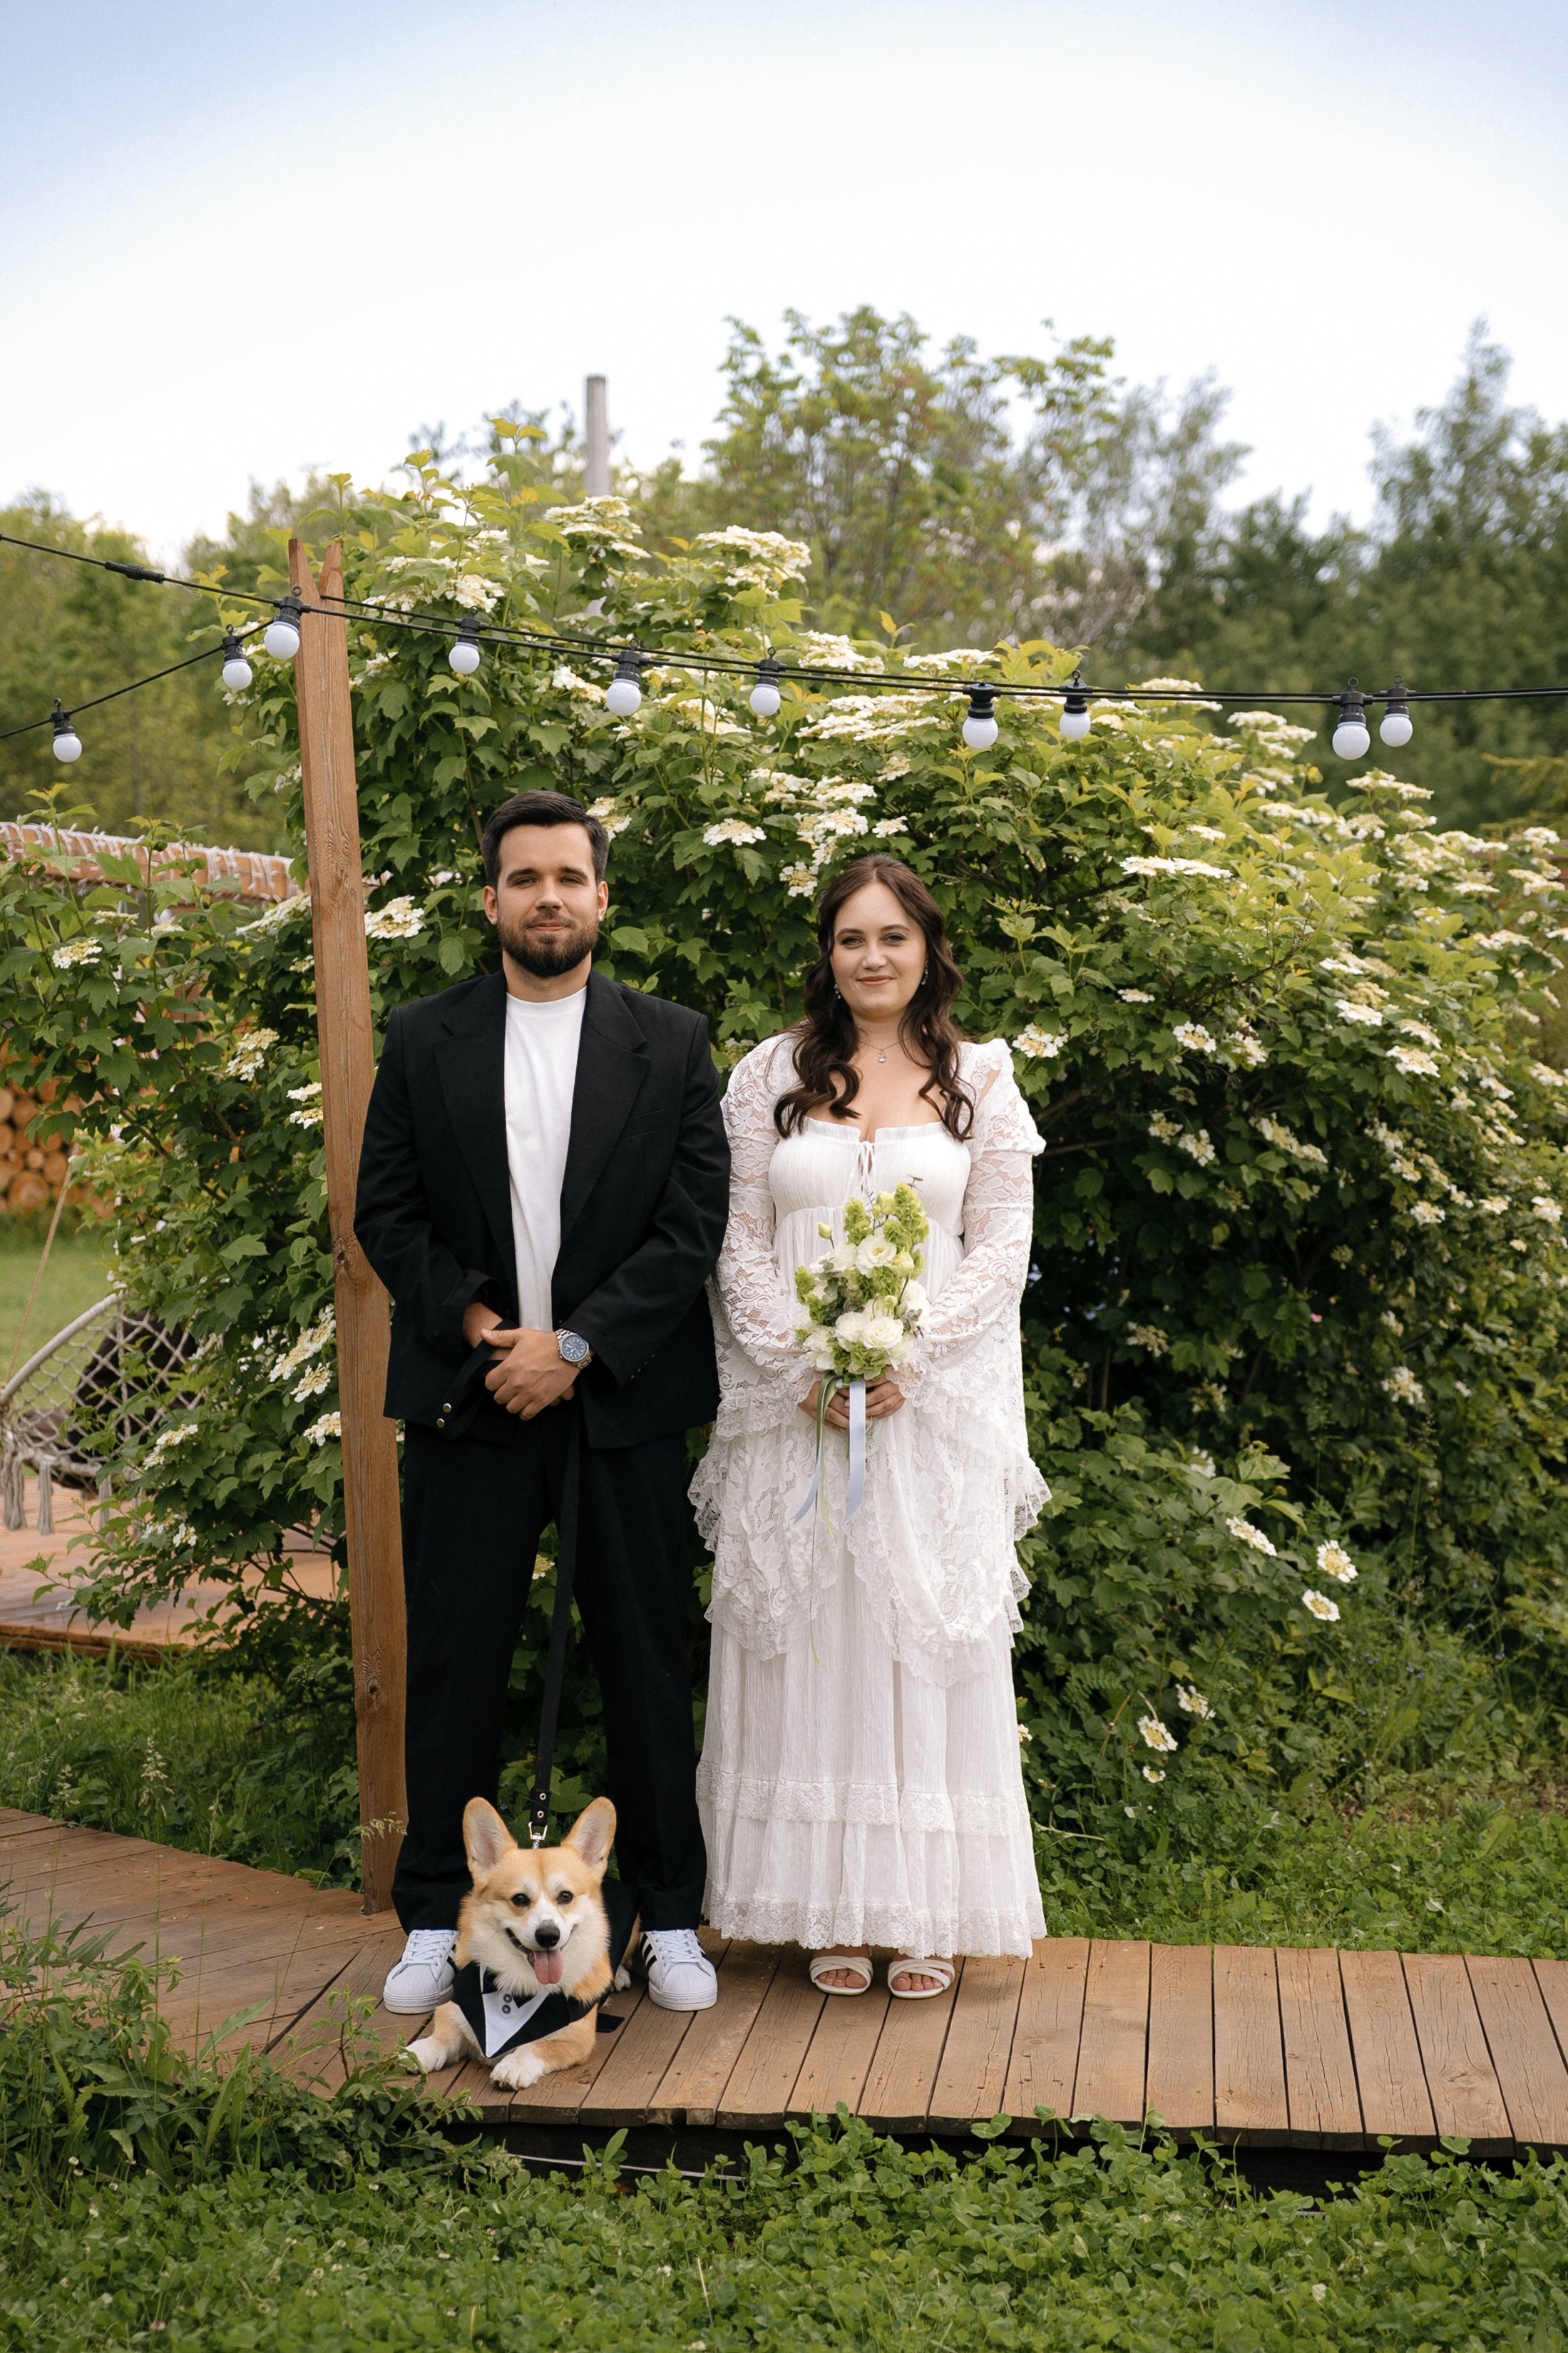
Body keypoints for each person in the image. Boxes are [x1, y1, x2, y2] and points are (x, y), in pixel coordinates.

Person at [355, 788, 731, 2016]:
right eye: (525, 879)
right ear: (492, 900)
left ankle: (665, 1914)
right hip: (476, 1399)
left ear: (603, 897)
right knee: (456, 1661)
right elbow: (386, 1212)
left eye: (570, 877)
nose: (549, 898)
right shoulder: (424, 1039)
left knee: (645, 1659)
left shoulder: (671, 1042)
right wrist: (484, 1331)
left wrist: (574, 1345)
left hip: (618, 1398)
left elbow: (692, 1229)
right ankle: (431, 1918)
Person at [691, 854, 1047, 1997]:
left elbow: (999, 1246)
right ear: (827, 954)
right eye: (852, 938)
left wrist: (905, 1356)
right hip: (792, 1406)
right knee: (805, 1639)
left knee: (913, 1644)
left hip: (923, 1408)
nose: (873, 957)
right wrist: (804, 1362)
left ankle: (924, 1912)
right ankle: (821, 1909)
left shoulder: (980, 1079)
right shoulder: (769, 1076)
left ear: (928, 948)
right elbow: (735, 1239)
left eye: (893, 936)